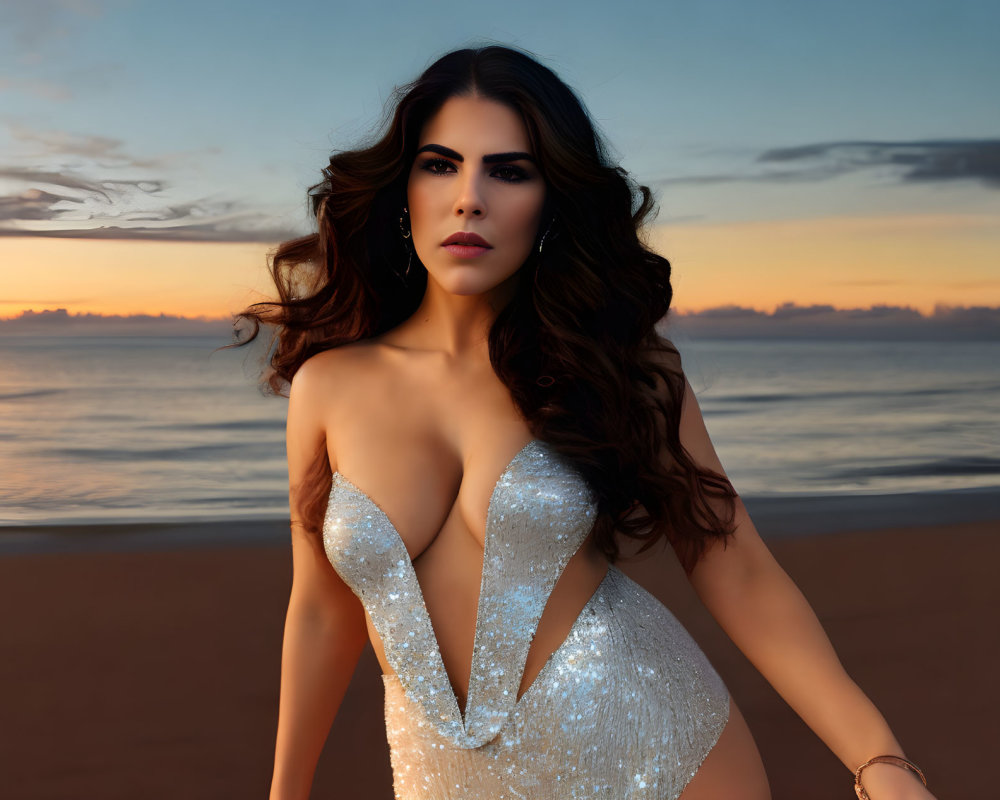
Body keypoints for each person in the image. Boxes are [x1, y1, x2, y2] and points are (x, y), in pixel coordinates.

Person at [234, 45, 936, 800]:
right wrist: (286, 790)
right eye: (441, 164)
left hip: (662, 756)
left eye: (510, 170)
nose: (470, 197)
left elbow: (736, 566)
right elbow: (321, 606)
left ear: (551, 202)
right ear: (403, 188)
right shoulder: (330, 387)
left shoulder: (619, 366)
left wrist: (879, 760)